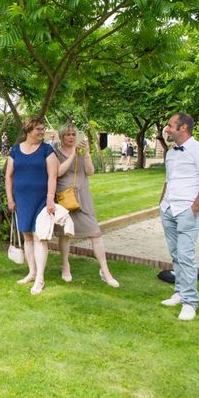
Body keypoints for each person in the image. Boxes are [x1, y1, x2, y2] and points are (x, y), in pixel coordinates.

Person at [160, 113, 199, 321]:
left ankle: (190, 302)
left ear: (183, 128)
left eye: (170, 126)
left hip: (187, 211)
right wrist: (161, 204)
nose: (167, 129)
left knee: (186, 256)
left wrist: (194, 208)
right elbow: (168, 180)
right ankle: (180, 291)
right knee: (176, 254)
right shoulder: (171, 153)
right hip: (168, 209)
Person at [54, 123, 119, 287]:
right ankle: (65, 266)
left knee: (95, 233)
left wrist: (87, 153)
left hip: (83, 196)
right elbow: (58, 172)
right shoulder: (56, 153)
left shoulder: (83, 152)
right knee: (65, 234)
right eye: (67, 135)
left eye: (73, 134)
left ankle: (105, 271)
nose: (71, 137)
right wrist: (72, 156)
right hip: (65, 197)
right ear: (62, 137)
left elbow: (90, 172)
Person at [5, 115, 58, 294]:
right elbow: (8, 176)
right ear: (29, 130)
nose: (42, 132)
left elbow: (52, 176)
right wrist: (10, 199)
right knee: (27, 236)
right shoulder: (15, 150)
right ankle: (32, 273)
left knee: (39, 237)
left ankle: (40, 278)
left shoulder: (47, 150)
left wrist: (50, 198)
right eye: (38, 129)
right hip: (22, 199)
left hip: (41, 200)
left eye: (43, 129)